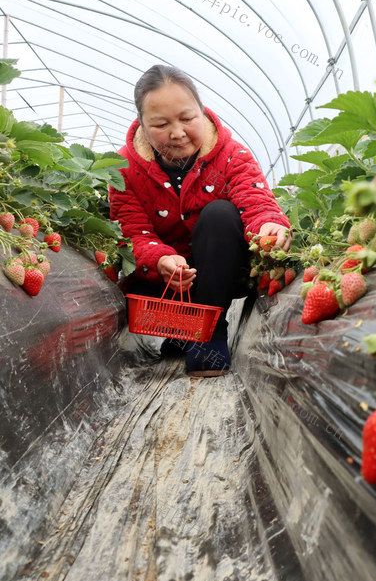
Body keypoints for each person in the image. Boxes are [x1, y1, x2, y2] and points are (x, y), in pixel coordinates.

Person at [110, 64, 291, 376]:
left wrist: (268, 224)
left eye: (186, 118)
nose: (177, 133)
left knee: (220, 213)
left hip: (222, 274)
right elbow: (131, 232)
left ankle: (208, 334)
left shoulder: (231, 155)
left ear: (201, 111)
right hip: (167, 283)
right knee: (122, 285)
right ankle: (184, 331)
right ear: (141, 124)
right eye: (161, 124)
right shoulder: (124, 169)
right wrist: (160, 258)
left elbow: (255, 198)